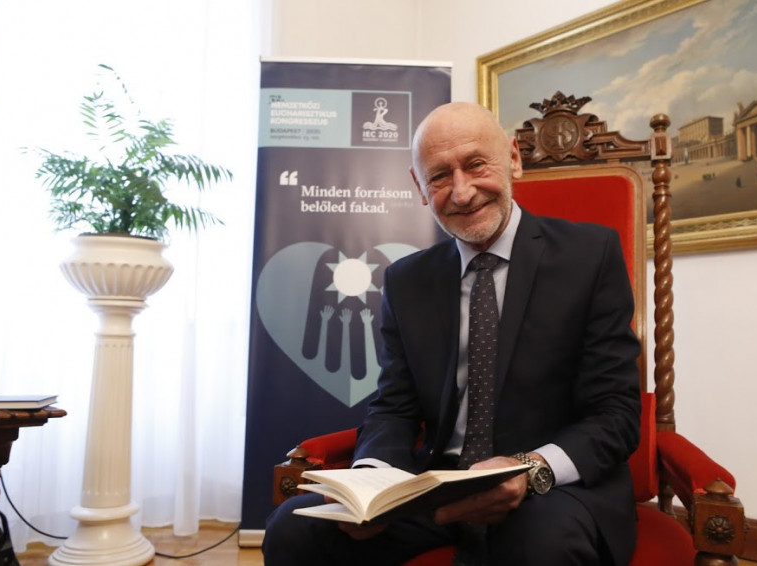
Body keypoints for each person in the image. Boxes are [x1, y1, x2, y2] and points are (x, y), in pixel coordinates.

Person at [263, 102, 642, 565]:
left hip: (550, 488)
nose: (462, 193)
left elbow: (616, 413)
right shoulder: (407, 280)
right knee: (293, 529)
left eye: (476, 164)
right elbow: (395, 406)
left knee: (540, 542)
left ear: (513, 159)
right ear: (420, 187)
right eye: (440, 176)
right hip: (439, 487)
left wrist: (530, 468)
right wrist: (371, 480)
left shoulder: (590, 255)